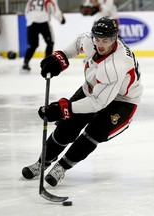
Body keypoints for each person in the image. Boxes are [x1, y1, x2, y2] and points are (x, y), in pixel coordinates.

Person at [22, 17, 143, 187]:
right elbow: (78, 43)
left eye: (106, 40)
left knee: (95, 131)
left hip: (123, 100)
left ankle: (61, 167)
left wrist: (63, 108)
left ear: (115, 39)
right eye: (98, 39)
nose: (100, 44)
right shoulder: (90, 41)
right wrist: (61, 58)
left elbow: (97, 104)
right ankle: (42, 162)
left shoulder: (114, 66)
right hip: (93, 87)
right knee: (67, 126)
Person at [21, 0, 66, 73]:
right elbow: (55, 10)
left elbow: (26, 11)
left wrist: (31, 20)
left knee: (33, 45)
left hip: (31, 23)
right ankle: (47, 63)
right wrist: (61, 19)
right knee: (50, 43)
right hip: (43, 22)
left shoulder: (31, 0)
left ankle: (25, 63)